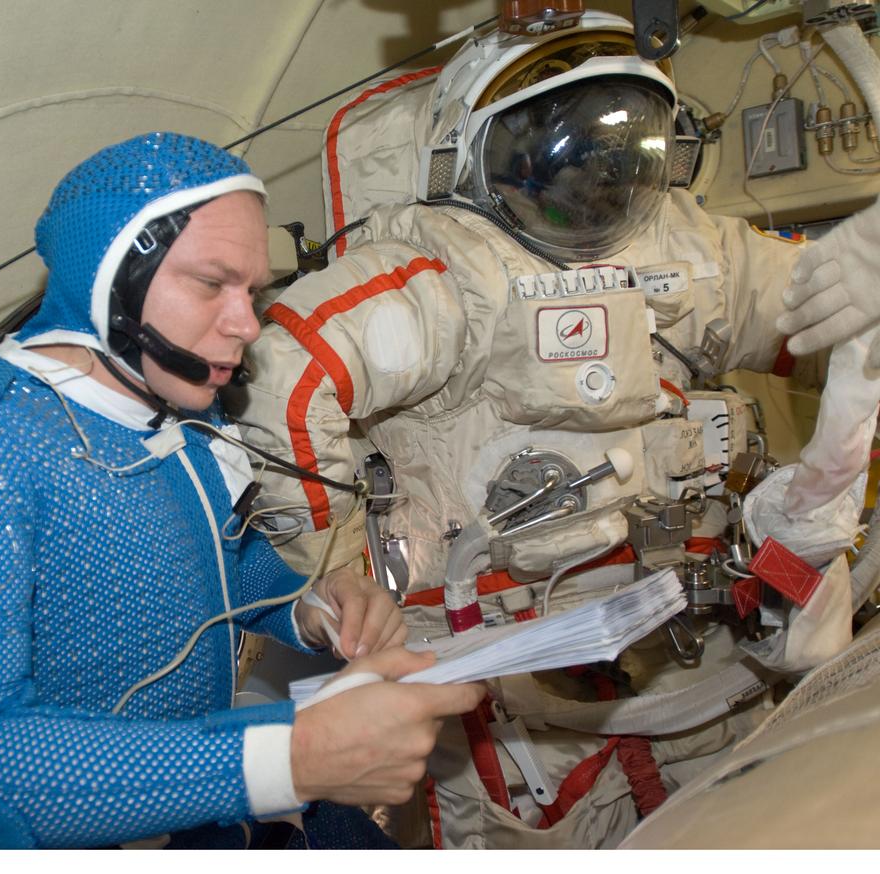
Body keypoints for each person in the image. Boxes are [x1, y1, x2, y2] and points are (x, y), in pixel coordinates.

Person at [233, 11, 856, 849]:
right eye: (564, 146)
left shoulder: (693, 251)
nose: (592, 176)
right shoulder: (441, 269)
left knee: (742, 822)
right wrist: (342, 575)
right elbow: (285, 381)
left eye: (617, 149)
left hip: (690, 629)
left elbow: (841, 324)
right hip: (500, 655)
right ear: (478, 151)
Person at [0, 131, 485, 849]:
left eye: (253, 291)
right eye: (212, 284)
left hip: (215, 809)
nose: (247, 325)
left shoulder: (179, 410)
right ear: (112, 281)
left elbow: (224, 568)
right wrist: (291, 757)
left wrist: (311, 607)